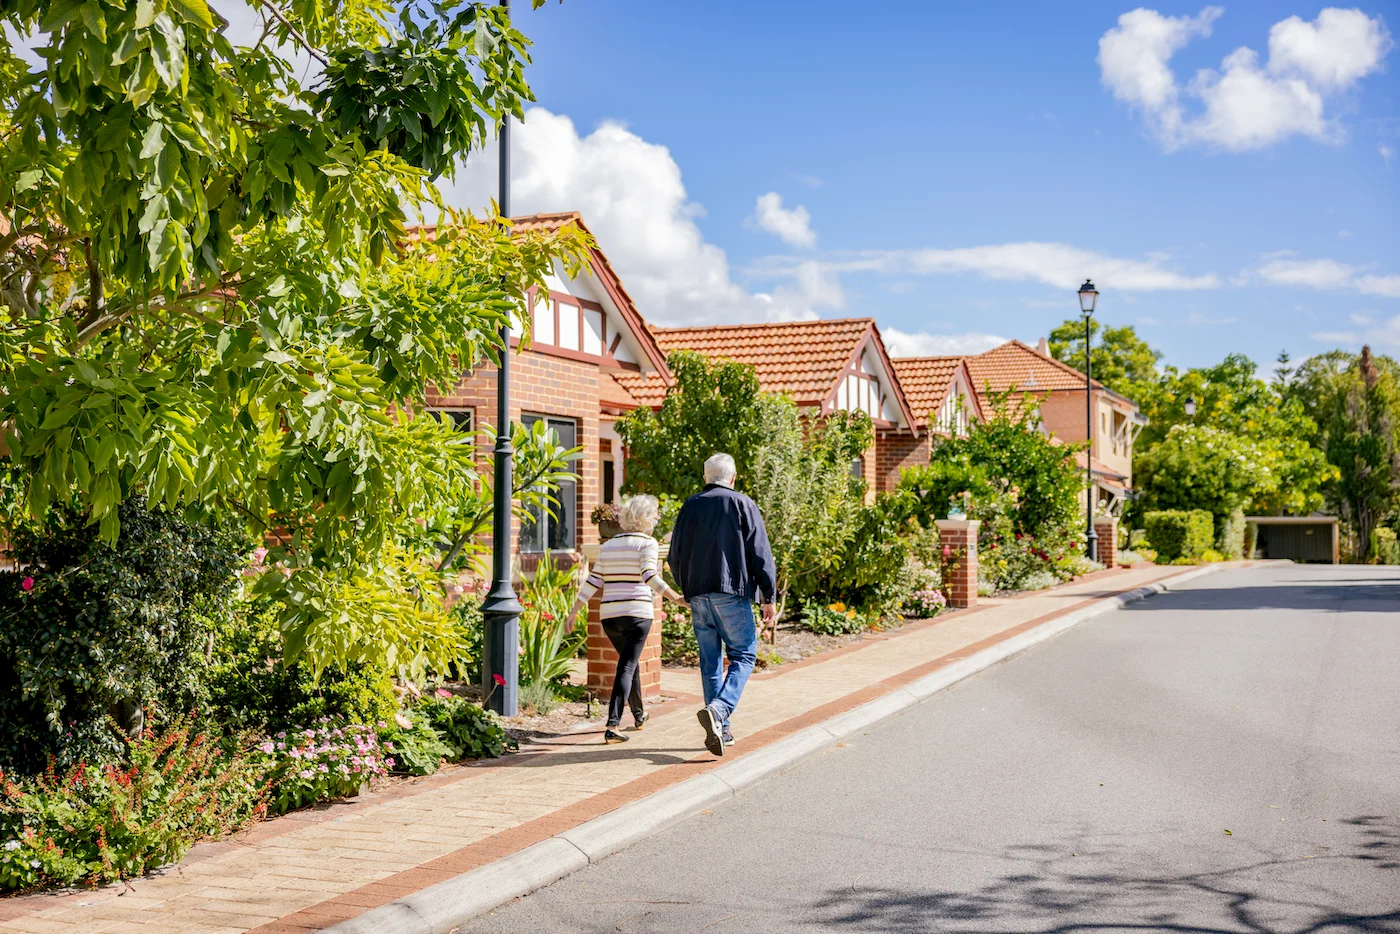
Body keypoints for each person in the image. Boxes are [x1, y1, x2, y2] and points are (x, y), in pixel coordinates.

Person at [667, 453, 777, 757]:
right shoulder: (742, 503)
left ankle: (722, 730)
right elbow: (760, 551)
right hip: (731, 592)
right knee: (744, 655)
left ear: (706, 477)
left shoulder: (689, 506)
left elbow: (674, 555)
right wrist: (769, 595)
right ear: (733, 476)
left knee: (710, 662)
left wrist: (686, 586)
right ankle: (720, 709)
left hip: (698, 595)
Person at [567, 494, 686, 744]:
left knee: (628, 664)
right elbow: (649, 575)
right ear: (646, 519)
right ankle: (612, 725)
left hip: (609, 616)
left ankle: (639, 715)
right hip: (637, 614)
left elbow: (593, 580)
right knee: (627, 666)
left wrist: (575, 610)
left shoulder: (609, 545)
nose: (655, 520)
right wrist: (675, 597)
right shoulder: (647, 543)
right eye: (654, 516)